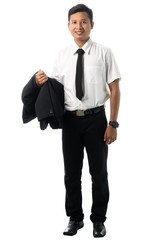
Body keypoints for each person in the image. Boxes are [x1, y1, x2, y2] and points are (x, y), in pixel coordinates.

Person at [35, 4, 121, 238]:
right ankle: (75, 218)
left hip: (97, 120)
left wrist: (112, 123)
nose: (79, 26)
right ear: (68, 26)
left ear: (92, 25)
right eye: (74, 22)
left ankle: (98, 220)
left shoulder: (105, 52)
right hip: (71, 123)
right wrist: (39, 82)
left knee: (99, 173)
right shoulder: (61, 55)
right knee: (71, 173)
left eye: (83, 21)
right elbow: (54, 90)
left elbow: (114, 88)